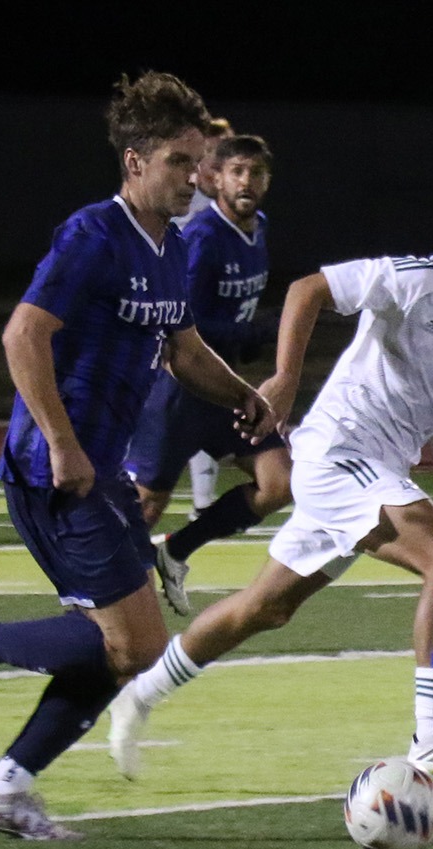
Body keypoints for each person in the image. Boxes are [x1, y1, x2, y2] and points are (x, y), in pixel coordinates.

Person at [106, 174, 433, 781]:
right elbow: (310, 288)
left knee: (265, 609)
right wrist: (285, 378)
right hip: (338, 450)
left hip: (376, 468)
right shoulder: (418, 280)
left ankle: (140, 694)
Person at [0, 72, 275, 841]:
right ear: (134, 162)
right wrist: (64, 444)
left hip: (103, 471)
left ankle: (2, 790)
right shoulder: (93, 234)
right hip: (57, 470)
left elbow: (184, 348)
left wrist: (244, 394)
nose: (193, 178)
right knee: (136, 644)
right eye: (178, 162)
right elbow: (22, 336)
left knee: (124, 652)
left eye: (198, 162)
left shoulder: (170, 245)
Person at [125, 133, 289, 616]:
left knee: (279, 483)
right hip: (181, 389)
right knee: (146, 506)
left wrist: (249, 338)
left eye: (256, 173)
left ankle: (175, 551)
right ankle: (96, 598)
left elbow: (233, 314)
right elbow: (184, 321)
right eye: (237, 171)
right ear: (215, 178)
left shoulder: (258, 229)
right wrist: (253, 330)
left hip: (225, 388)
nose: (247, 181)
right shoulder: (203, 237)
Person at [174, 116, 234, 518]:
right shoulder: (182, 193)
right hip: (169, 305)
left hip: (195, 311)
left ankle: (202, 503)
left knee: (201, 404)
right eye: (216, 151)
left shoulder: (226, 207)